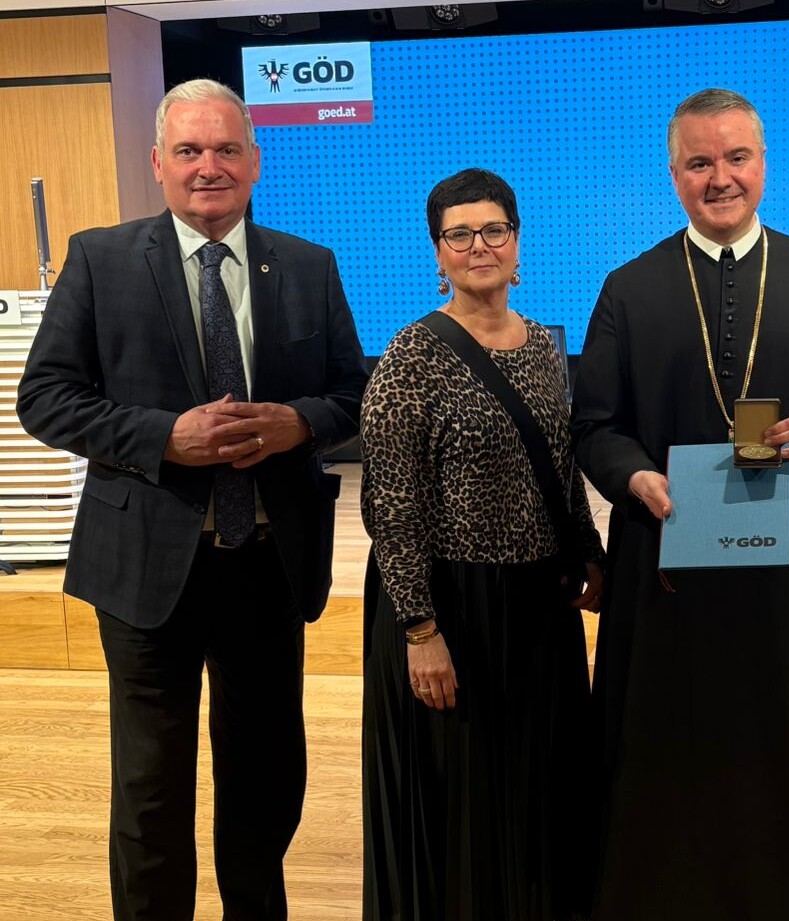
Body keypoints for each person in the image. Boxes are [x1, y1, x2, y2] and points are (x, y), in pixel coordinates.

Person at [16, 79, 368, 921]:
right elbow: (46, 398)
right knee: (151, 789)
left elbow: (352, 394)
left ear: (255, 161)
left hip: (266, 566)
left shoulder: (308, 265)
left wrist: (296, 424)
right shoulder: (99, 259)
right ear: (158, 163)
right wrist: (162, 437)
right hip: (143, 571)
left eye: (226, 149)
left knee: (265, 779)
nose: (209, 166)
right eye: (189, 150)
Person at [571, 88, 789, 920]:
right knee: (670, 748)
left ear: (763, 163)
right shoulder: (628, 289)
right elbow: (595, 426)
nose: (720, 178)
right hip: (670, 573)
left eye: (736, 157)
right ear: (673, 174)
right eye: (699, 162)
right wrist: (633, 476)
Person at [360, 167, 605, 921]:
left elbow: (560, 466)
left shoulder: (542, 346)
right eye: (459, 234)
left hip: (537, 606)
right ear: (438, 253)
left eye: (493, 229)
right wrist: (419, 631)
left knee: (539, 786)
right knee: (462, 798)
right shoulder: (411, 355)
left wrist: (588, 553)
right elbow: (391, 506)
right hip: (451, 609)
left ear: (517, 242)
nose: (479, 246)